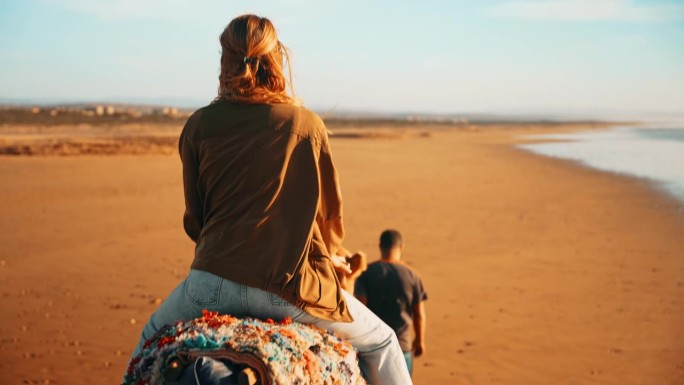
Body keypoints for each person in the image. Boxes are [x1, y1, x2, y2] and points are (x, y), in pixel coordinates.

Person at [125, 14, 412, 385]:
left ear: (225, 59)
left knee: (147, 345)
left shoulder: (197, 125)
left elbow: (195, 221)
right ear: (277, 58)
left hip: (209, 284)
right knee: (383, 343)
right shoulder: (307, 125)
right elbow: (329, 218)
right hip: (287, 288)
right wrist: (334, 260)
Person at [354, 230, 428, 376]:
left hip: (373, 347)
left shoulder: (366, 273)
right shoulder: (413, 276)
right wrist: (420, 341)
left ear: (380, 247)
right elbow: (419, 315)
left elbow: (360, 310)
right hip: (402, 347)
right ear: (401, 247)